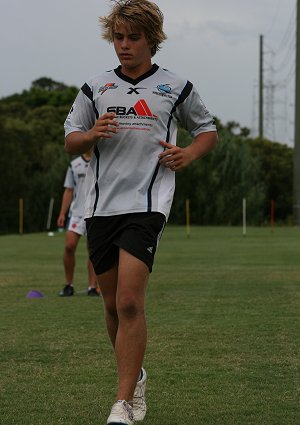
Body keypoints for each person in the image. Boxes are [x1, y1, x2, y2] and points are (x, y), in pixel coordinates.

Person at [64, 0, 218, 422]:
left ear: (152, 38)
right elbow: (71, 140)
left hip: (148, 204)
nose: (124, 45)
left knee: (131, 300)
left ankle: (122, 403)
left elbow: (207, 130)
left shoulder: (176, 86)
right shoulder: (95, 88)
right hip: (99, 207)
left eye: (133, 37)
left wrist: (188, 154)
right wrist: (90, 134)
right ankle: (136, 376)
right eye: (118, 37)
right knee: (112, 305)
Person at [57, 149, 99, 297]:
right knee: (69, 246)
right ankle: (69, 285)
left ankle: (92, 287)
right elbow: (68, 190)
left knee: (93, 250)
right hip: (76, 213)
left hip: (96, 212)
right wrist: (62, 213)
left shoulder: (101, 160)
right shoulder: (74, 164)